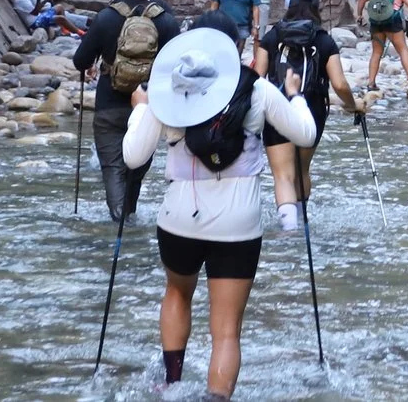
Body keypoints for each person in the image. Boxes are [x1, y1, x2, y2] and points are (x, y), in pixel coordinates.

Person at [124, 25, 315, 399]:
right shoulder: (257, 89)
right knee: (227, 331)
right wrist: (295, 97)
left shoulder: (167, 91)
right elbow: (305, 134)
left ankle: (172, 384)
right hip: (237, 224)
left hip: (178, 219)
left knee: (177, 293)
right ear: (235, 49)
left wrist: (140, 109)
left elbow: (133, 157)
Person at [72, 0, 182, 219]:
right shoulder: (166, 21)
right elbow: (177, 67)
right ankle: (128, 216)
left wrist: (95, 62)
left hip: (109, 106)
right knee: (136, 168)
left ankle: (119, 218)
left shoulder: (105, 18)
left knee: (113, 168)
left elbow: (80, 61)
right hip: (149, 108)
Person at [251, 0, 365, 234]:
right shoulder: (323, 40)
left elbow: (257, 78)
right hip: (313, 108)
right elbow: (339, 84)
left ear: (289, 8)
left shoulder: (272, 36)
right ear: (316, 10)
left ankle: (288, 227)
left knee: (283, 174)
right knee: (301, 168)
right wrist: (353, 105)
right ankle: (302, 223)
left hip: (276, 106)